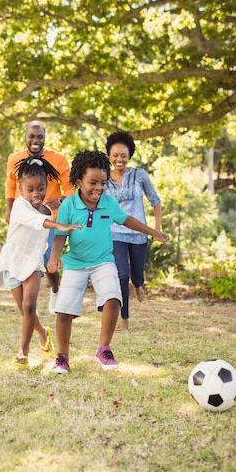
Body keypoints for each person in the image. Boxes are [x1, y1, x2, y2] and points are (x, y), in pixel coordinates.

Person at [47, 150, 169, 374]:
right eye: (92, 182)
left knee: (114, 298)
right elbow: (60, 235)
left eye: (103, 183)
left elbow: (128, 220)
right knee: (64, 312)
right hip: (75, 263)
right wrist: (55, 256)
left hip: (103, 261)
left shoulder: (109, 203)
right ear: (78, 181)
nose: (98, 188)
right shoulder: (69, 206)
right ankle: (62, 357)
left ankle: (103, 349)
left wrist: (153, 232)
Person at [0, 156, 82, 368]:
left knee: (29, 305)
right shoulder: (19, 205)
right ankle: (43, 333)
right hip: (13, 262)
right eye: (31, 189)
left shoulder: (48, 211)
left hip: (33, 264)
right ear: (21, 188)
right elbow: (35, 222)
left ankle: (23, 351)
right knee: (26, 311)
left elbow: (42, 240)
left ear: (47, 186)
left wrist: (48, 260)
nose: (37, 194)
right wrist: (59, 225)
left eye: (41, 188)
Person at [5, 120, 75, 313]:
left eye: (39, 136)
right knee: (20, 256)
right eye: (32, 136)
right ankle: (27, 303)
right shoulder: (14, 159)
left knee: (47, 259)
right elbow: (11, 187)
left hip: (50, 218)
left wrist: (60, 201)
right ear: (26, 137)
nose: (36, 140)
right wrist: (9, 210)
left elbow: (70, 188)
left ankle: (55, 289)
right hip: (24, 218)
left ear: (44, 138)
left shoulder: (58, 159)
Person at [106, 130, 164, 331]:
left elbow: (155, 201)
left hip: (139, 234)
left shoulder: (139, 175)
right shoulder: (104, 178)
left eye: (123, 155)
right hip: (115, 233)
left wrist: (156, 229)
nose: (119, 159)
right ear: (109, 156)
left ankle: (139, 284)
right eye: (115, 155)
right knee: (122, 275)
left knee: (136, 274)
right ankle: (125, 320)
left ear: (129, 155)